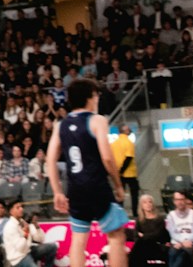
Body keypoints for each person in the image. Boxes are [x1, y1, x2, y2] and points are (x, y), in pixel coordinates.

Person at [48, 79, 129, 267]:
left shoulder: (60, 125)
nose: (98, 99)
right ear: (90, 98)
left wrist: (57, 191)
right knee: (116, 235)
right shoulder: (98, 120)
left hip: (75, 188)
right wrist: (117, 185)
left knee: (78, 239)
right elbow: (107, 158)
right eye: (96, 95)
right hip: (97, 185)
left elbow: (50, 160)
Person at [1, 202, 54, 267]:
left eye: (21, 207)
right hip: (18, 258)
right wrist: (26, 233)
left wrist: (36, 227)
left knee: (52, 246)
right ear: (11, 211)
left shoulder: (23, 222)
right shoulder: (10, 227)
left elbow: (40, 239)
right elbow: (20, 248)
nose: (21, 209)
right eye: (18, 208)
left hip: (28, 251)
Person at [164, 192, 193, 267]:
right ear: (174, 201)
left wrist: (183, 243)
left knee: (183, 255)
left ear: (186, 200)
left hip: (192, 244)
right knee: (173, 253)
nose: (180, 202)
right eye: (177, 199)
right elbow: (173, 233)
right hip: (176, 244)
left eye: (182, 199)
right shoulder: (171, 216)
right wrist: (183, 242)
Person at [131, 194, 169, 267]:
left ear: (153, 204)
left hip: (157, 246)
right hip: (143, 246)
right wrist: (145, 237)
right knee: (139, 248)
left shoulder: (159, 219)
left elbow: (158, 235)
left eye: (150, 202)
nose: (148, 204)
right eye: (145, 202)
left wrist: (144, 235)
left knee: (138, 250)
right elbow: (136, 236)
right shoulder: (139, 219)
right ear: (141, 206)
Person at [112, 123, 140, 213]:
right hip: (130, 173)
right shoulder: (129, 143)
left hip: (118, 173)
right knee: (134, 193)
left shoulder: (113, 144)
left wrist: (118, 171)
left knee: (120, 194)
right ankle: (135, 212)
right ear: (126, 131)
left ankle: (119, 212)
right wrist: (122, 170)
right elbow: (129, 158)